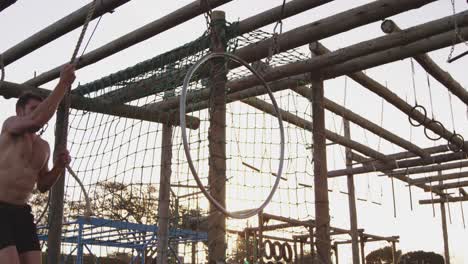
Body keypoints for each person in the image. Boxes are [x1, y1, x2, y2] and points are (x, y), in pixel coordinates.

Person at [0, 64, 76, 264]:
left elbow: (42, 185)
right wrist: (63, 83)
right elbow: (36, 121)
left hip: (21, 211)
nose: (38, 112)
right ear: (20, 111)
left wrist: (59, 167)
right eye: (33, 108)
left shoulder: (44, 147)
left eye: (39, 108)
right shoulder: (10, 126)